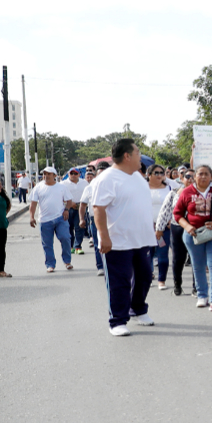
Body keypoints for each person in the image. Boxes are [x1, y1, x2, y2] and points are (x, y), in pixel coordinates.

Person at [92, 139, 156, 336]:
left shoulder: (137, 177)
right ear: (127, 156)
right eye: (137, 152)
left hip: (142, 238)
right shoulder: (106, 179)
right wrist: (104, 237)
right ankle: (117, 321)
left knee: (145, 277)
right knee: (120, 282)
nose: (140, 156)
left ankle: (138, 309)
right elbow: (98, 208)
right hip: (118, 241)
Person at [174, 164, 212, 311]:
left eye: (207, 174)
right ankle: (202, 295)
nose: (204, 177)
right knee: (198, 265)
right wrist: (187, 227)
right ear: (194, 176)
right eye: (200, 174)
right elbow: (178, 214)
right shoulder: (186, 192)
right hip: (194, 234)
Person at [28, 167, 72, 273]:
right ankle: (50, 264)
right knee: (47, 244)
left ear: (55, 176)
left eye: (49, 174)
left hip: (60, 218)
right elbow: (33, 204)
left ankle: (67, 261)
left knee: (65, 237)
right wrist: (31, 217)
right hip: (45, 220)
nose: (46, 176)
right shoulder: (38, 187)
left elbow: (69, 201)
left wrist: (66, 209)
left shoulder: (61, 187)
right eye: (44, 174)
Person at [147, 164, 174, 291]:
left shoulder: (169, 188)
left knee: (163, 255)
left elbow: (175, 205)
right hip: (147, 227)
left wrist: (170, 219)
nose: (159, 175)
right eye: (156, 173)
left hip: (164, 227)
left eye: (161, 173)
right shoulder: (143, 188)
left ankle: (161, 280)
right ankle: (147, 277)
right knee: (147, 255)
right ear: (149, 175)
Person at [78, 167, 104, 277]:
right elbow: (83, 205)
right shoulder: (89, 188)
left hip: (112, 219)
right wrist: (82, 219)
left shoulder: (115, 187)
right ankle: (100, 266)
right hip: (95, 219)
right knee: (98, 243)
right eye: (100, 174)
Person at [62, 168, 87, 255]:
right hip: (68, 208)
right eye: (71, 173)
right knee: (69, 228)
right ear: (68, 174)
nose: (73, 175)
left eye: (75, 173)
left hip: (80, 207)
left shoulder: (84, 183)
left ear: (79, 175)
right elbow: (59, 196)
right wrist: (68, 202)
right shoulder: (63, 184)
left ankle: (78, 246)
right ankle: (71, 246)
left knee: (79, 227)